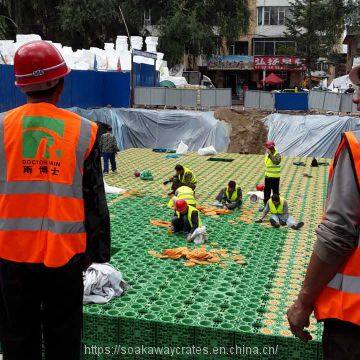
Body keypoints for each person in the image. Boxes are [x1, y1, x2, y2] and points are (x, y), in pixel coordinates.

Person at [0, 41, 110, 360]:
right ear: (60, 85)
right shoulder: (83, 132)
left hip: (10, 255)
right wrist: (98, 254)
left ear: (22, 86)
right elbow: (94, 199)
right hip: (65, 256)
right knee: (64, 337)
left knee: (17, 337)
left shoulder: (2, 127)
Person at [287, 127, 360, 358]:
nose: (356, 97)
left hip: (353, 319)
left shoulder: (357, 146)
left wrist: (303, 302)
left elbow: (338, 234)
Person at [262, 141, 281, 211]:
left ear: (270, 148)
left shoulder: (277, 155)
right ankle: (266, 207)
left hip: (275, 178)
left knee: (275, 193)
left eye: (268, 148)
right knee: (266, 193)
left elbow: (276, 162)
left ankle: (277, 207)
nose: (267, 150)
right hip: (268, 177)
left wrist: (270, 154)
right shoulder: (268, 155)